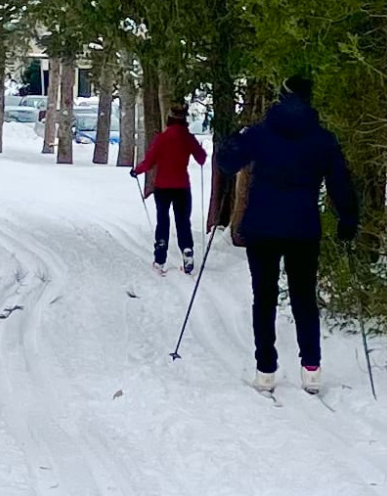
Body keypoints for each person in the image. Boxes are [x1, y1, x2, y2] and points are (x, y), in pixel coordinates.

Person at [217, 76, 358, 395]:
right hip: (303, 228)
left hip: (262, 226)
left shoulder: (259, 133)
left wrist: (228, 141)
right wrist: (348, 218)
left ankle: (266, 369)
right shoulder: (323, 139)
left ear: (281, 98)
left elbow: (227, 163)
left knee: (264, 298)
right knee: (304, 298)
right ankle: (311, 369)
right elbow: (340, 182)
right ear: (309, 99)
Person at [131, 105, 207, 275]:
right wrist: (198, 148)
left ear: (169, 118)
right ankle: (187, 250)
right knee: (182, 221)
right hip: (182, 186)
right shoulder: (188, 138)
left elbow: (149, 161)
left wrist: (136, 170)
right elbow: (201, 158)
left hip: (163, 186)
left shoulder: (162, 138)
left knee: (163, 221)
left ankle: (160, 258)